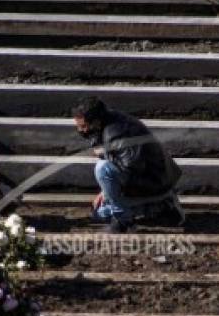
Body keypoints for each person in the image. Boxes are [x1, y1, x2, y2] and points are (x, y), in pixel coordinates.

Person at [72, 97, 184, 233]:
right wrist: (105, 192)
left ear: (96, 122)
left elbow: (131, 170)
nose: (81, 130)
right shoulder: (108, 122)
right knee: (100, 212)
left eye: (83, 126)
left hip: (154, 182)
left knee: (102, 169)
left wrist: (109, 195)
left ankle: (122, 220)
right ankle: (161, 207)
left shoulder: (116, 132)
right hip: (153, 178)